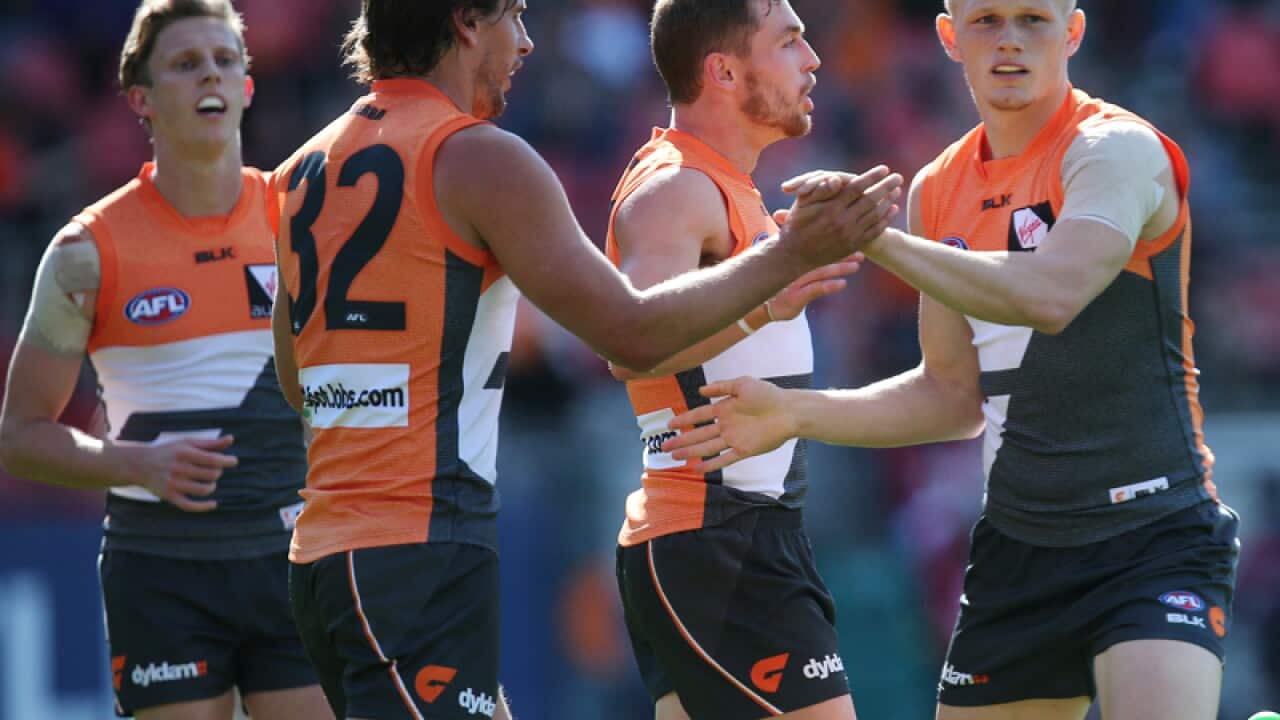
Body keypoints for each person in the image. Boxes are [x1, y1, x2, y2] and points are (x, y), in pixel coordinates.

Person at [266, 2, 900, 719]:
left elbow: (298, 380)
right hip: (418, 546)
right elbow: (628, 334)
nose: (528, 42)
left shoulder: (299, 169)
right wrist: (787, 257)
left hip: (326, 552)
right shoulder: (480, 155)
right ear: (467, 21)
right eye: (514, 16)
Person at [663, 1, 1241, 719]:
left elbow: (1053, 292)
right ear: (948, 36)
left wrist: (874, 238)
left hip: (1154, 535)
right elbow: (949, 396)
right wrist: (789, 412)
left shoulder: (1115, 149)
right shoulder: (939, 188)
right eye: (987, 20)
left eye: (1033, 19)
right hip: (1020, 551)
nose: (1009, 41)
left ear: (1073, 32)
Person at [0, 2, 333, 719]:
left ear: (246, 86)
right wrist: (134, 463)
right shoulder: (85, 253)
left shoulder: (305, 221)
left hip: (293, 559)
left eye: (224, 60)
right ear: (141, 101)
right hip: (162, 569)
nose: (209, 75)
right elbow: (19, 436)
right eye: (185, 64)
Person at [605, 1, 878, 719]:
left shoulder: (727, 187)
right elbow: (632, 347)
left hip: (744, 537)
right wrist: (767, 298)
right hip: (715, 539)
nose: (813, 60)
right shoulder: (675, 188)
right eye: (789, 42)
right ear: (724, 70)